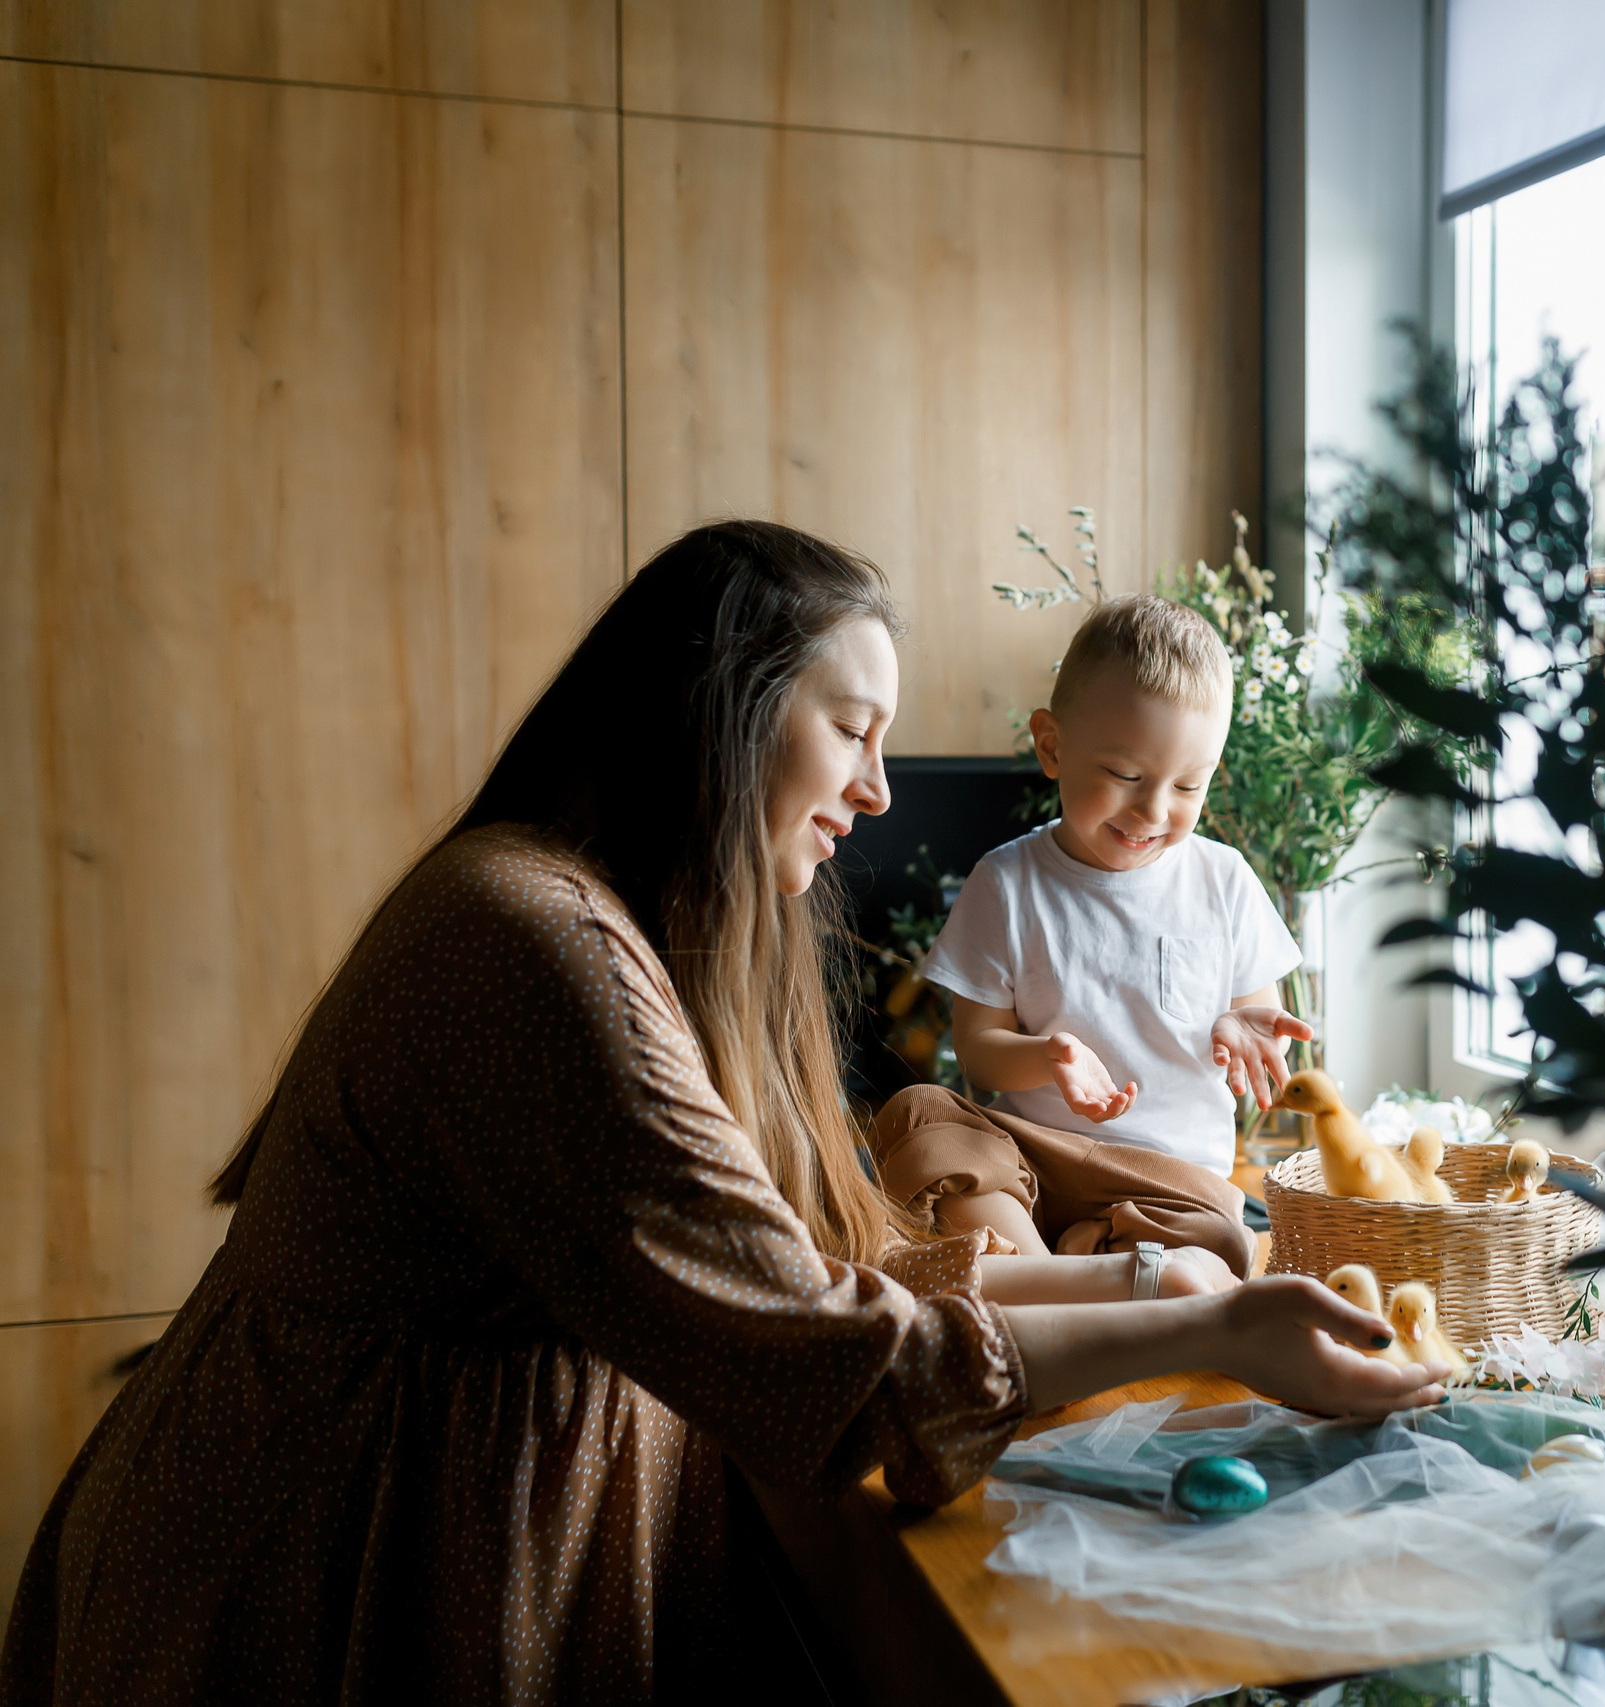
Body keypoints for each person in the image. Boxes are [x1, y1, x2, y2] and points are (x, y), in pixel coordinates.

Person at [0, 522, 1441, 1706]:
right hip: (324, 1571)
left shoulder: (606, 919)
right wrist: (1213, 1322)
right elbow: (835, 1353)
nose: (880, 790)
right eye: (853, 731)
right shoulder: (537, 947)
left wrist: (1155, 1270)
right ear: (726, 708)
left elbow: (811, 1270)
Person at [868, 596, 1305, 1284]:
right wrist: (1049, 1055)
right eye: (1126, 775)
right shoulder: (1006, 883)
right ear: (1052, 745)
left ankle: (1052, 1282)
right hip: (1033, 1160)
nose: (1153, 810)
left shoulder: (1224, 881)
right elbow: (980, 1054)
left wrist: (1243, 1029)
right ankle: (1082, 1278)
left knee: (1221, 1233)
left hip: (1170, 1180)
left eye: (1188, 785)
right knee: (917, 1117)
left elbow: (1262, 1027)